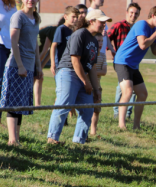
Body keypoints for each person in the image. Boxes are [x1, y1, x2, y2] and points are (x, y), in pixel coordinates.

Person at [46, 9, 110, 145]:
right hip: (68, 72)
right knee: (64, 104)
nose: (104, 25)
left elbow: (91, 66)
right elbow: (75, 60)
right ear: (91, 21)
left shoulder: (93, 40)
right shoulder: (80, 34)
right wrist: (86, 82)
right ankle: (52, 139)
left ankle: (79, 142)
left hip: (82, 75)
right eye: (101, 22)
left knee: (88, 109)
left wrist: (96, 89)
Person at [114, 6, 156, 130]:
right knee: (127, 92)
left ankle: (136, 126)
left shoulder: (154, 30)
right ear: (153, 15)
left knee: (143, 94)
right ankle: (121, 125)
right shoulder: (141, 24)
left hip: (132, 65)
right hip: (122, 61)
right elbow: (143, 45)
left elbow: (155, 52)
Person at [0, 0, 41, 146]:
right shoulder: (18, 16)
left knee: (21, 104)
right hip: (16, 66)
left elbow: (35, 42)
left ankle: (17, 139)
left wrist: (38, 66)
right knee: (13, 103)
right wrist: (20, 66)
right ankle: (11, 140)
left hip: (29, 66)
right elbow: (14, 42)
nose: (30, 0)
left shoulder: (36, 18)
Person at [108, 2, 141, 119]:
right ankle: (117, 112)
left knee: (132, 89)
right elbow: (106, 37)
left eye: (136, 14)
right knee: (122, 88)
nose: (133, 15)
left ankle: (127, 113)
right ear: (127, 13)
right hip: (122, 62)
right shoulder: (119, 25)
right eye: (131, 13)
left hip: (134, 62)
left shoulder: (138, 28)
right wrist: (111, 49)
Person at [50, 7, 78, 77]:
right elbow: (53, 46)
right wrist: (53, 63)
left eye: (77, 17)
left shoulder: (72, 31)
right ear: (65, 17)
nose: (75, 19)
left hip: (68, 64)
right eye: (73, 17)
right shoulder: (61, 29)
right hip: (59, 64)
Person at [90, 33, 107, 137]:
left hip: (98, 87)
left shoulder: (103, 56)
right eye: (98, 41)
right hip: (87, 86)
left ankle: (93, 131)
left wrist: (92, 71)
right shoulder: (89, 54)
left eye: (102, 41)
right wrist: (95, 71)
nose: (100, 43)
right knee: (86, 110)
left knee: (96, 110)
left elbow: (104, 71)